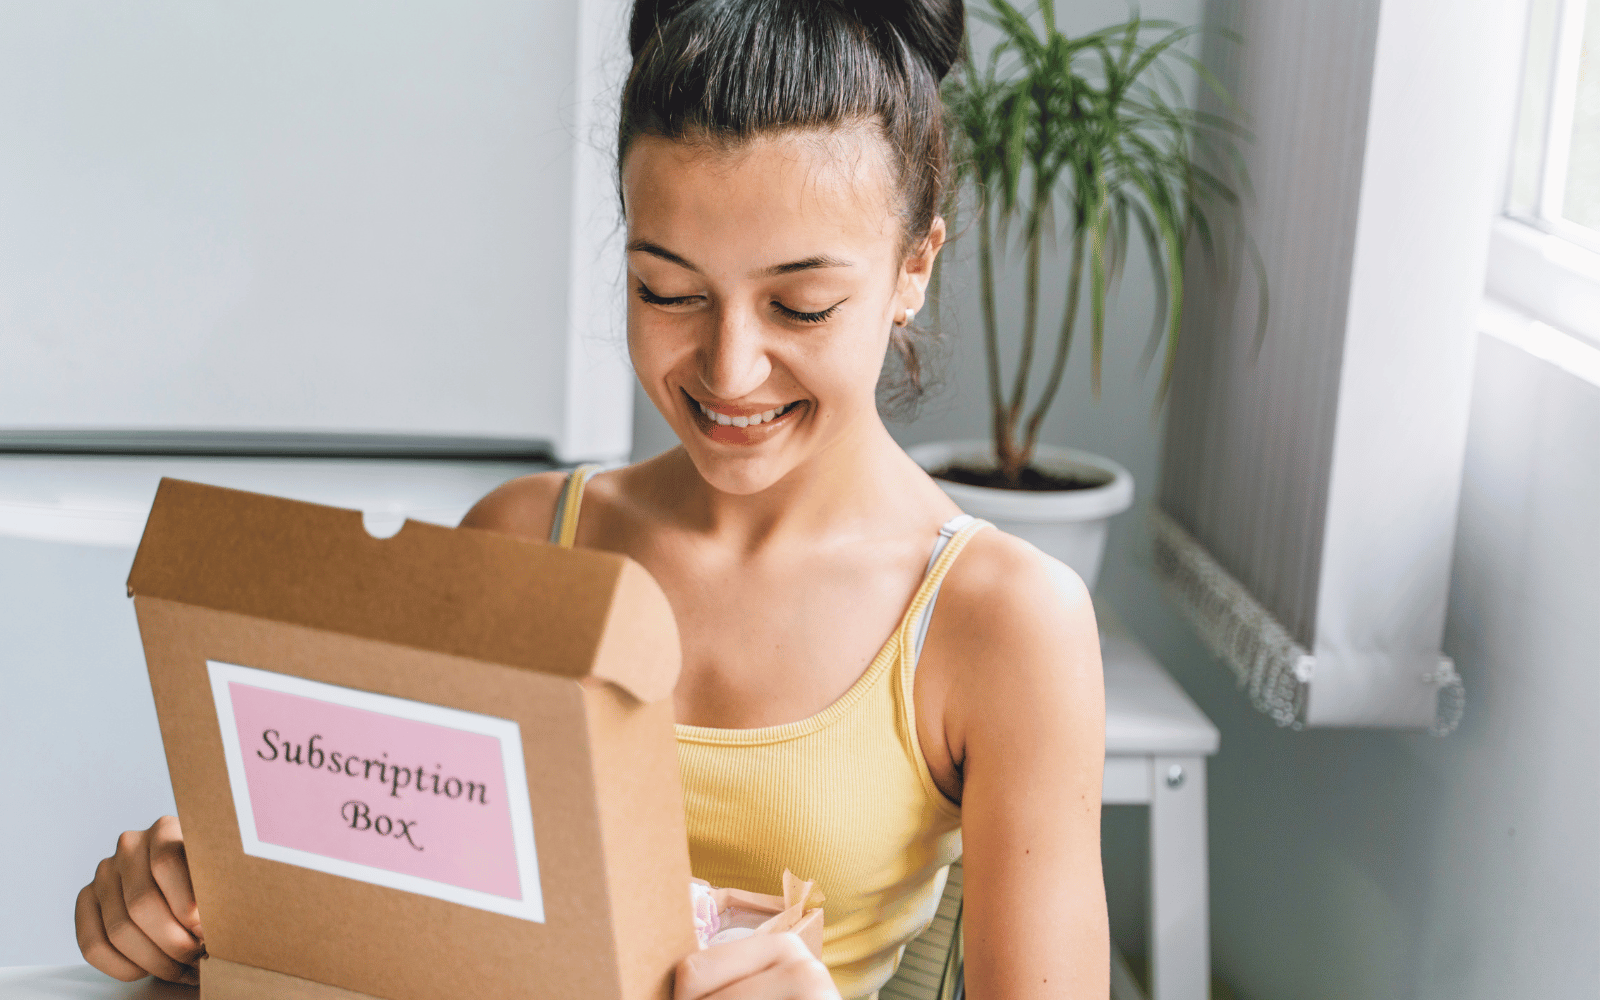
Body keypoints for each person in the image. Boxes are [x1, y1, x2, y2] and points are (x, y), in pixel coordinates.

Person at [74, 1, 1108, 997]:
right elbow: (377, 903)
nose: (729, 367)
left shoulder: (1002, 622)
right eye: (667, 290)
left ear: (913, 265)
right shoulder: (524, 540)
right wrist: (185, 899)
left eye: (800, 304)